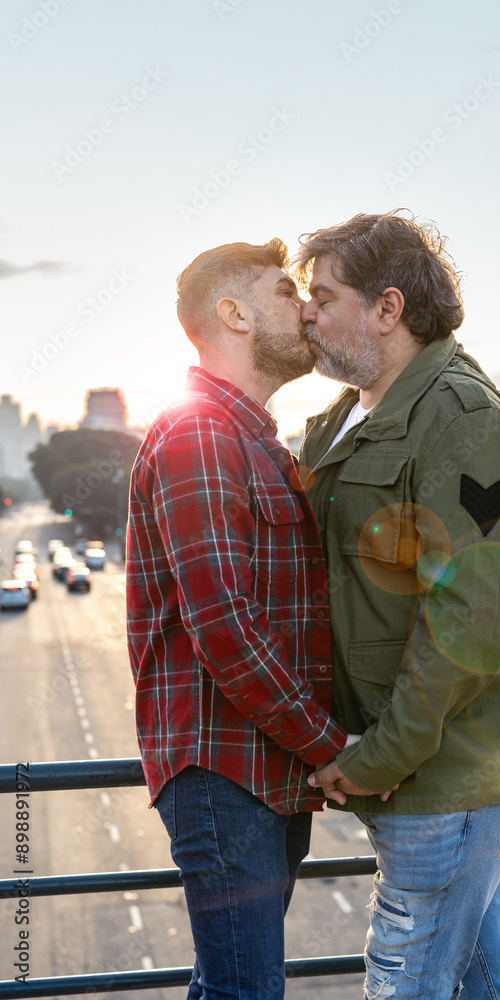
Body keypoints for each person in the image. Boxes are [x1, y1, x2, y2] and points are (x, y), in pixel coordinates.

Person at [296, 212, 500, 1000]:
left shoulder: (463, 419)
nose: (307, 311)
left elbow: (467, 622)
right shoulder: (342, 417)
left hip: (452, 773)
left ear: (386, 308)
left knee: (405, 982)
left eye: (323, 295)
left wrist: (377, 758)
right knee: (478, 984)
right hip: (410, 765)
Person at [125, 240, 362, 999]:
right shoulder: (200, 433)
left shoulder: (251, 437)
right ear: (232, 314)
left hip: (263, 766)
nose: (306, 305)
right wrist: (329, 746)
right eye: (285, 289)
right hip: (226, 772)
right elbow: (224, 624)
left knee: (231, 986)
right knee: (244, 992)